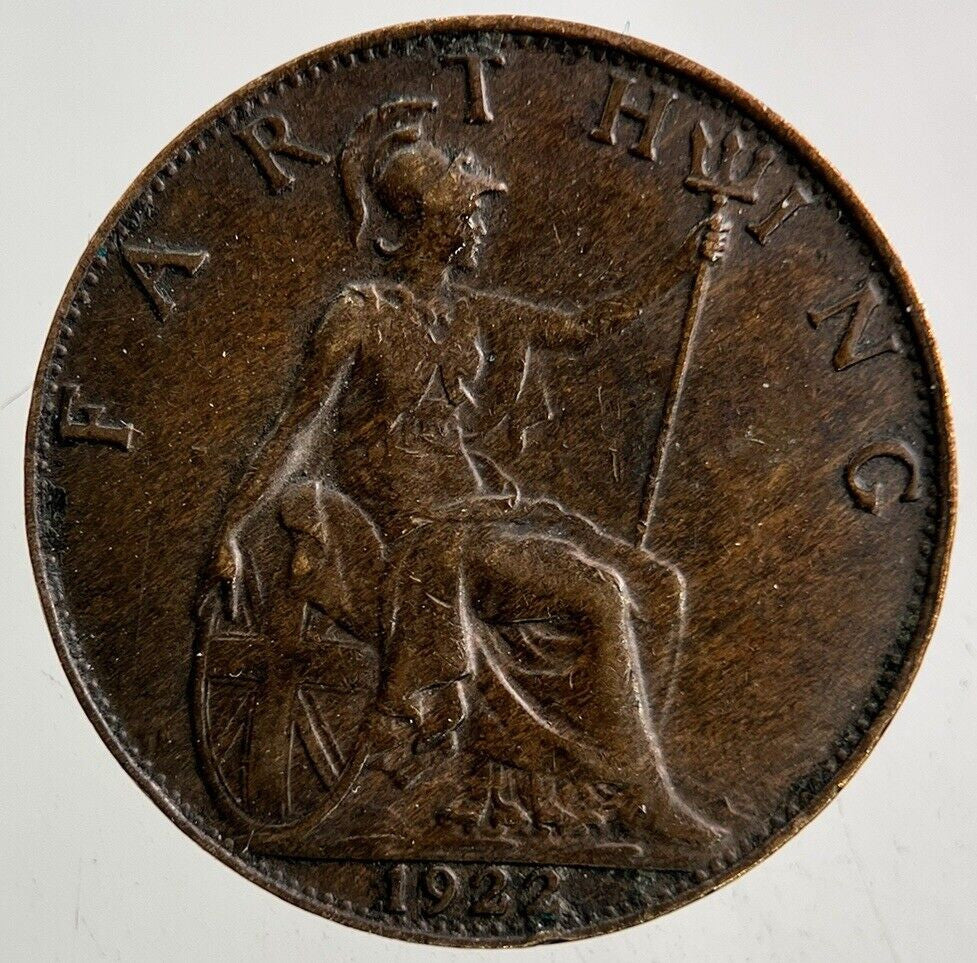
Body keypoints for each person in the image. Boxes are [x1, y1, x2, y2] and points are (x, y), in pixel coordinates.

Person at [206, 97, 725, 848]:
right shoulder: (359, 314)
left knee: (658, 585)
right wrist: (231, 527)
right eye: (470, 212)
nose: (481, 226)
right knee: (601, 593)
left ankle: (580, 795)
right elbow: (296, 427)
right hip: (416, 533)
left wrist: (680, 266)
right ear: (430, 220)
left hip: (481, 512)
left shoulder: (471, 312)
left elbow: (585, 326)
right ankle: (644, 796)